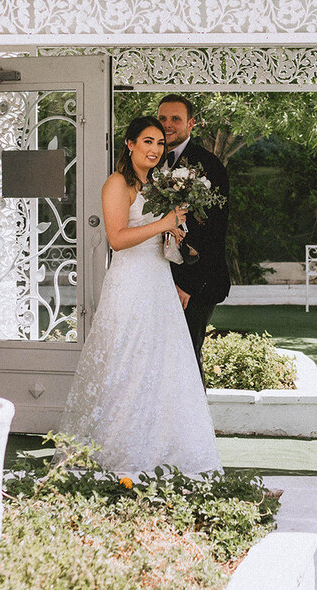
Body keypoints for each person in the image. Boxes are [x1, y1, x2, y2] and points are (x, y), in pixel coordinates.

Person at [58, 116, 221, 476]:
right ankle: (119, 453)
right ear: (130, 144)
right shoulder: (118, 183)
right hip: (130, 283)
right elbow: (117, 239)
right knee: (127, 365)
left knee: (164, 366)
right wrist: (163, 224)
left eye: (161, 144)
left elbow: (152, 237)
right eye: (148, 141)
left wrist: (172, 235)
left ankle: (164, 453)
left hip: (159, 282)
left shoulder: (159, 185)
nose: (155, 149)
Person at [157, 95, 230, 385]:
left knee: (185, 356)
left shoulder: (209, 165)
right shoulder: (151, 159)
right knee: (162, 359)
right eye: (162, 118)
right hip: (160, 277)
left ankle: (195, 429)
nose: (168, 125)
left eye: (175, 119)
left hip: (195, 283)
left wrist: (186, 284)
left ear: (191, 124)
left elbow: (213, 230)